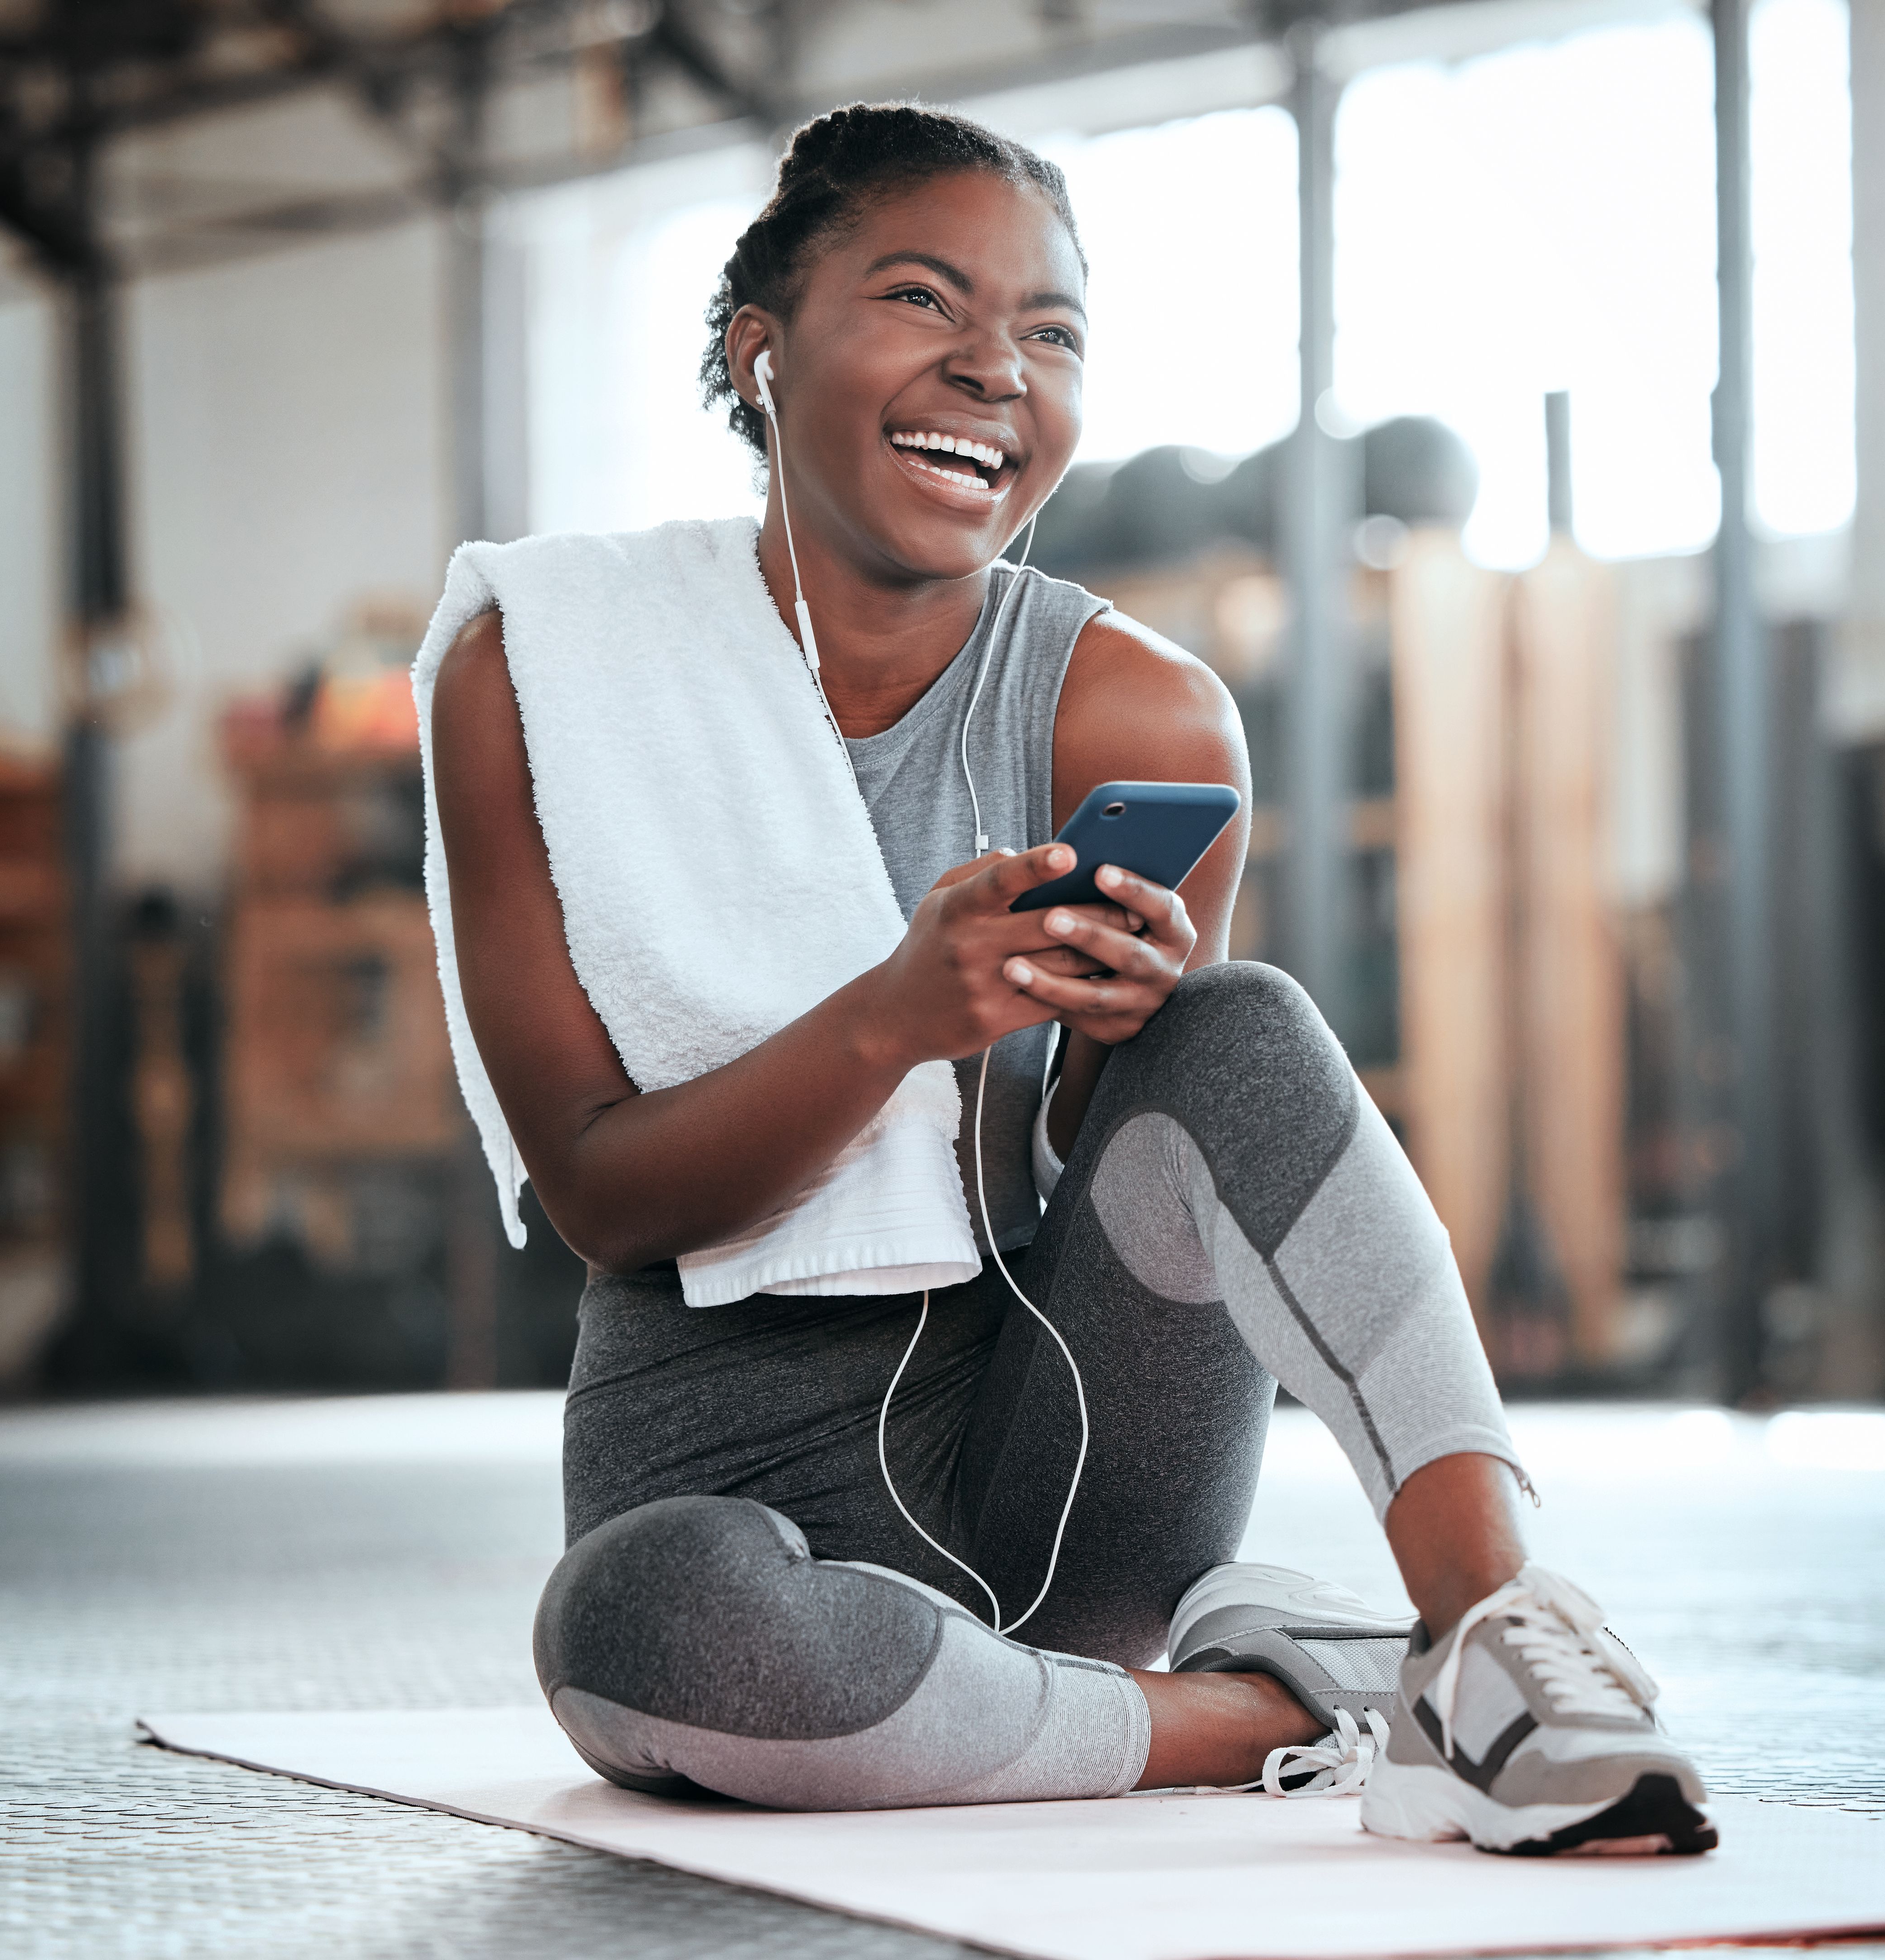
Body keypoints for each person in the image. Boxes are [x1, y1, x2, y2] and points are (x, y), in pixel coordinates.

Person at [424, 101, 1713, 1857]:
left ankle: (1499, 1640)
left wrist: (1113, 1041)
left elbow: (1142, 1191)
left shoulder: (1142, 710)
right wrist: (899, 1017)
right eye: (920, 302)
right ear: (762, 347)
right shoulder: (543, 671)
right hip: (726, 1498)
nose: (992, 370)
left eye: (1051, 334)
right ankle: (1268, 1709)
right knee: (634, 1630)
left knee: (1232, 1023)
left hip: (1066, 1474)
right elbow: (596, 1191)